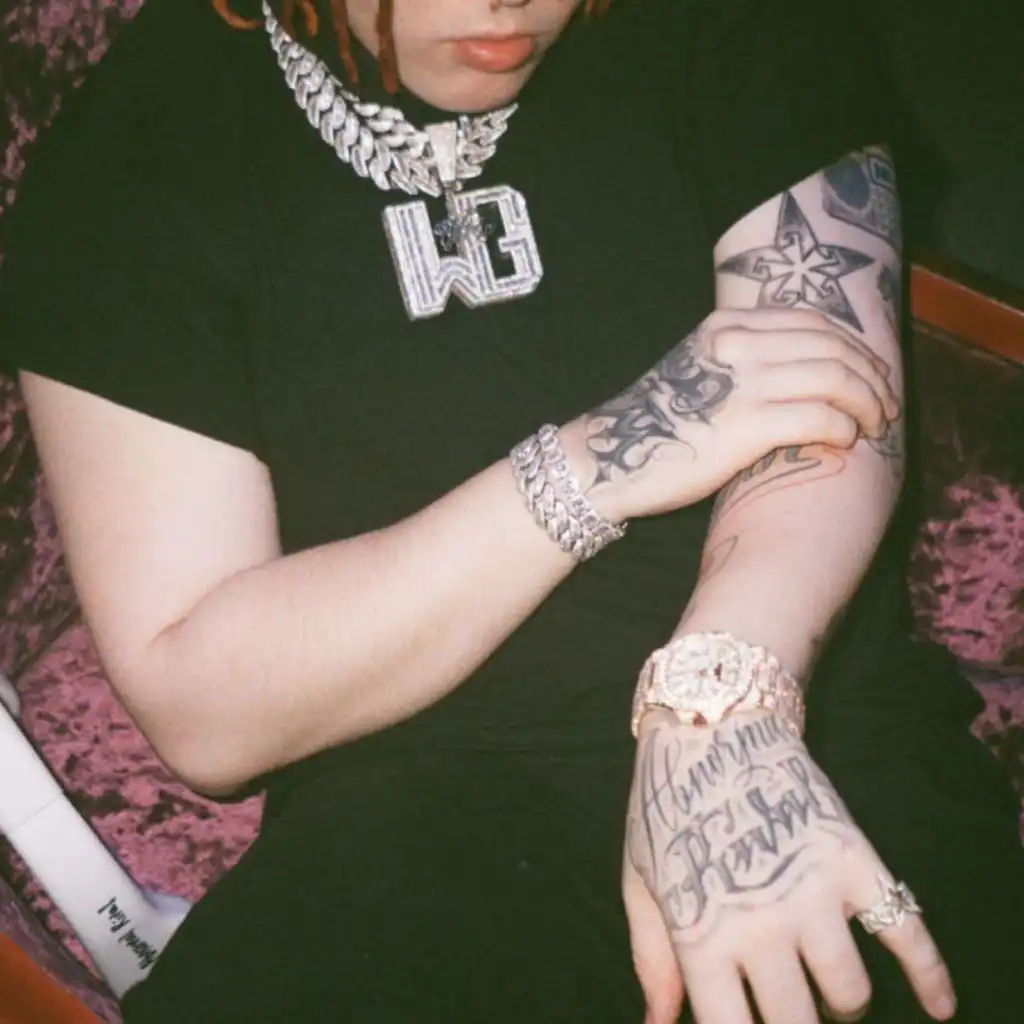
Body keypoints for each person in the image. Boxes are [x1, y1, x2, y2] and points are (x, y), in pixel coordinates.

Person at [0, 0, 1021, 1020]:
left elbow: (836, 397)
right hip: (413, 819)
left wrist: (719, 702)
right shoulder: (145, 148)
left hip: (806, 721)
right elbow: (203, 710)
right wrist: (591, 464)